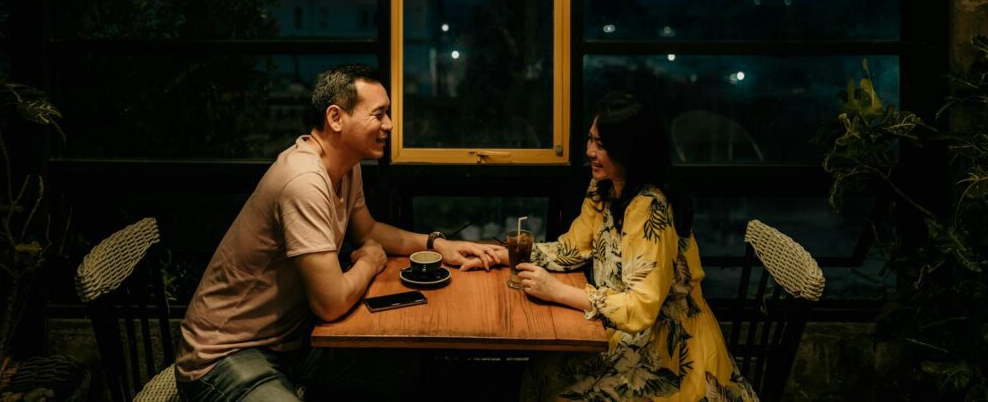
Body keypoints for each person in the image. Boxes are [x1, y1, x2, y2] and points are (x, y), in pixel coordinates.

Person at [175, 63, 498, 401]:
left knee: (411, 373)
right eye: (378, 114)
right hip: (226, 354)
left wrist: (437, 245)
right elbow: (329, 303)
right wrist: (369, 262)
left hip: (293, 341)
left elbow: (369, 230)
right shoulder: (304, 180)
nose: (389, 124)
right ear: (335, 118)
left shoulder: (345, 167)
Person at [476, 92, 758, 401]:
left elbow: (641, 308)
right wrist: (508, 254)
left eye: (602, 145)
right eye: (590, 140)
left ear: (630, 150)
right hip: (621, 329)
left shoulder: (650, 206)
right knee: (542, 366)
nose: (590, 152)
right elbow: (573, 248)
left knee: (559, 389)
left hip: (664, 346)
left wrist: (557, 291)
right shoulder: (605, 186)